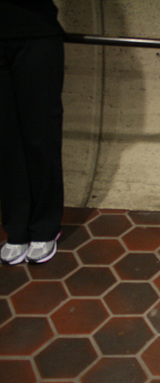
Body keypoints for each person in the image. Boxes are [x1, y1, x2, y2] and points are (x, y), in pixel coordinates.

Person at [0, 0, 65, 265]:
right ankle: (16, 228)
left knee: (41, 135)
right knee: (5, 139)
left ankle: (45, 227)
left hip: (36, 33)